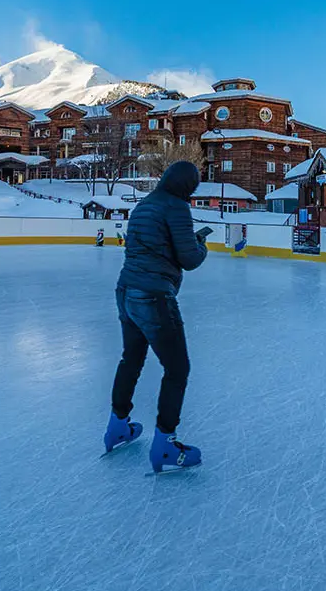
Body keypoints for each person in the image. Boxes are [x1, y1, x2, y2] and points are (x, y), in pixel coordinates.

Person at [102, 160, 208, 473]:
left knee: (130, 360)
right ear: (187, 186)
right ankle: (164, 444)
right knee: (177, 368)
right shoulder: (176, 207)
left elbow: (153, 248)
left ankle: (117, 426)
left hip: (126, 291)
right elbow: (189, 259)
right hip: (153, 296)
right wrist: (201, 245)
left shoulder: (144, 205)